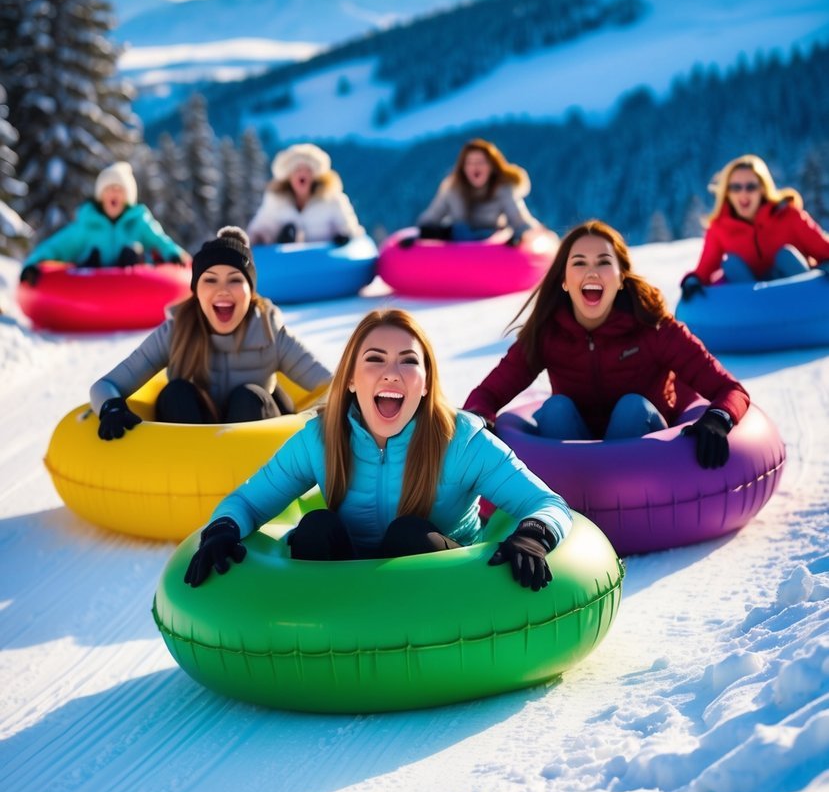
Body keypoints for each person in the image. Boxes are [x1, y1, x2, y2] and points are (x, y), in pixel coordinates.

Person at [183, 307, 573, 593]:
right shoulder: (322, 438)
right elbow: (248, 501)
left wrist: (533, 535)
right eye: (375, 360)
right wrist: (224, 528)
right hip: (342, 582)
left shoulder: (461, 440)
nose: (391, 373)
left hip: (444, 587)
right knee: (316, 528)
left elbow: (547, 504)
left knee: (409, 535)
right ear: (351, 379)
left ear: (424, 383)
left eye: (408, 361)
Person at [464, 220, 749, 469]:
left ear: (621, 277)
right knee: (555, 410)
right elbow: (488, 393)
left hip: (647, 454)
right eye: (579, 262)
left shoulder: (655, 328)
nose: (592, 272)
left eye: (603, 262)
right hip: (574, 453)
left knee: (632, 408)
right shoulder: (548, 334)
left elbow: (730, 389)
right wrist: (481, 419)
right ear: (564, 280)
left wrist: (718, 418)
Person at [89, 226, 332, 439]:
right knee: (175, 394)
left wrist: (320, 422)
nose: (223, 290)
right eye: (211, 280)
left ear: (251, 291)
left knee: (248, 398)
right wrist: (111, 407)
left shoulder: (270, 332)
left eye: (235, 280)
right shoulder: (176, 332)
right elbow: (106, 385)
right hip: (196, 448)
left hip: (260, 448)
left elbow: (332, 385)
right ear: (196, 291)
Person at [680, 153, 829, 300]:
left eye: (751, 187)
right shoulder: (719, 229)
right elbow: (703, 271)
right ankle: (757, 311)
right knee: (731, 263)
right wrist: (692, 282)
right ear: (727, 193)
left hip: (801, 298)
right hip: (753, 307)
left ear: (762, 189)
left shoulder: (789, 216)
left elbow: (824, 249)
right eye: (736, 187)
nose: (743, 193)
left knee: (786, 256)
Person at [19, 162, 188, 286]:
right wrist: (32, 264)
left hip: (133, 283)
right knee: (91, 256)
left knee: (132, 251)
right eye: (109, 189)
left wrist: (174, 255)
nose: (114, 193)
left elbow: (160, 241)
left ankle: (130, 268)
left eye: (119, 189)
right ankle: (90, 269)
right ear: (101, 196)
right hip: (93, 285)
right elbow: (56, 247)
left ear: (128, 197)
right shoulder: (87, 225)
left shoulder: (139, 223)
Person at [403, 138, 542, 247]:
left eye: (481, 162)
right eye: (470, 162)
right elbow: (431, 218)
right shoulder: (453, 189)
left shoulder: (502, 190)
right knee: (458, 230)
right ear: (463, 168)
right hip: (460, 241)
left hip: (490, 242)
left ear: (491, 167)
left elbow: (520, 221)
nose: (475, 167)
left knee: (485, 234)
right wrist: (420, 235)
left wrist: (519, 238)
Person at [247, 143, 363, 246]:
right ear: (288, 176)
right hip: (289, 266)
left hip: (325, 265)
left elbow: (349, 227)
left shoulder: (332, 199)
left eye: (308, 170)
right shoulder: (276, 201)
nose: (302, 174)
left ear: (315, 176)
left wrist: (344, 237)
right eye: (297, 170)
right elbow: (261, 228)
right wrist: (259, 238)